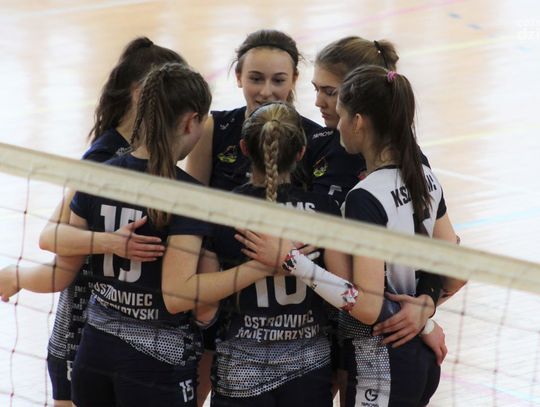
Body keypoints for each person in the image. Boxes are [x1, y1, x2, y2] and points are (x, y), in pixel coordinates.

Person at [237, 66, 465, 406]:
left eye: (342, 114)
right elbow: (456, 272)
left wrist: (291, 260)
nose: (338, 123)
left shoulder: (365, 197)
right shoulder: (424, 175)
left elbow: (367, 305)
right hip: (418, 359)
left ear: (358, 122)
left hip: (381, 358)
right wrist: (424, 310)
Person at [4, 37, 184, 407]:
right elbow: (51, 236)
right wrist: (108, 242)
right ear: (140, 94)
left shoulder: (159, 156)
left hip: (139, 339)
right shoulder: (104, 159)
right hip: (85, 328)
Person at [185, 29, 324, 405]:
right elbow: (193, 205)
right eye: (256, 79)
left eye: (278, 80)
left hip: (289, 311)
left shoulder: (314, 138)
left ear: (294, 80)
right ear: (238, 77)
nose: (266, 91)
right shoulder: (215, 127)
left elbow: (319, 220)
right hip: (221, 288)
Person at [201, 102, 342, 406]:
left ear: (244, 148)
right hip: (308, 371)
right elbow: (344, 296)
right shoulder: (325, 211)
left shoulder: (220, 210)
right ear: (302, 152)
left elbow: (203, 310)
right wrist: (293, 264)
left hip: (240, 372)